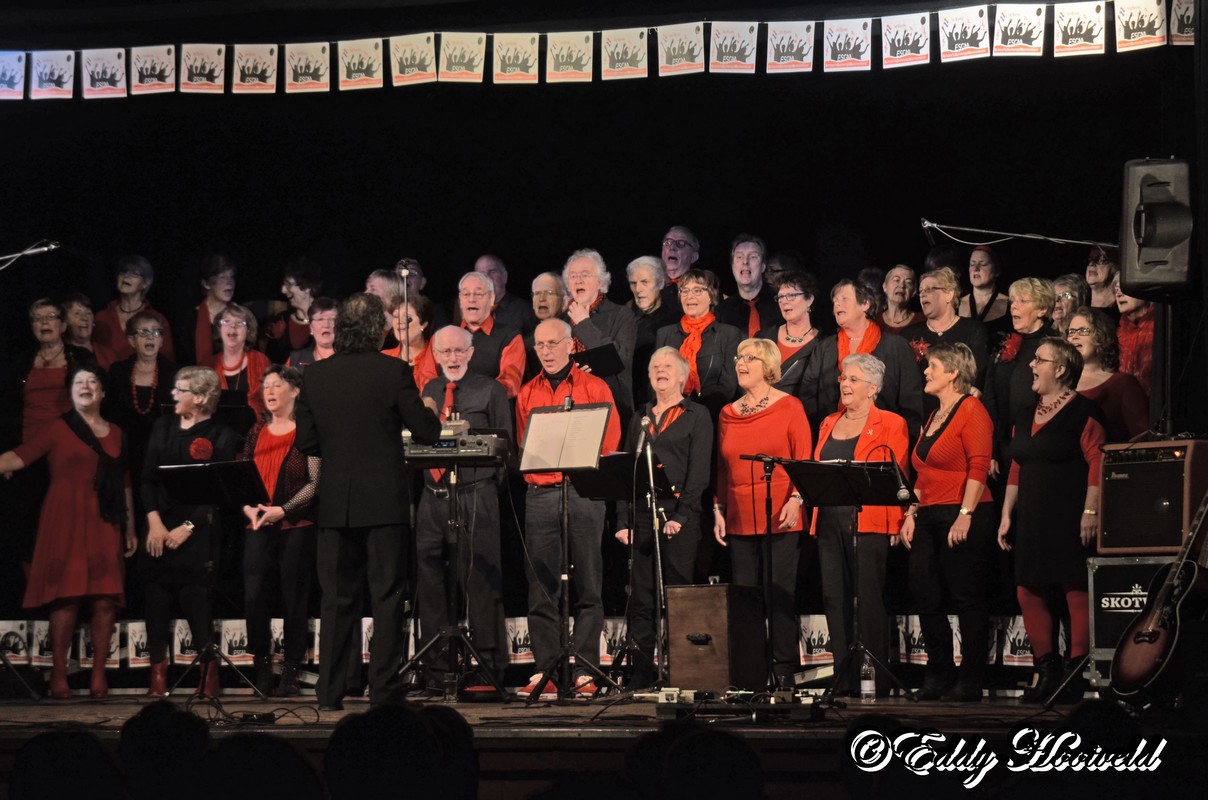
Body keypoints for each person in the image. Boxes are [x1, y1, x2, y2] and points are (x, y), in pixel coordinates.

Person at [294, 293, 441, 709]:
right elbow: (427, 432)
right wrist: (428, 408)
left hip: (336, 504)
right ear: (379, 330)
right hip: (384, 504)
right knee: (387, 597)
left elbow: (306, 441)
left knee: (337, 600)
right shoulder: (393, 370)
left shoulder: (316, 376)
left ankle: (330, 692)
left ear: (340, 330)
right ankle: (383, 691)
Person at [0, 364, 136, 699]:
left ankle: (98, 677)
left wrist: (130, 527)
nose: (86, 386)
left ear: (102, 392)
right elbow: (18, 458)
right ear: (70, 391)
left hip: (105, 521)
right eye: (79, 382)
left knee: (105, 600)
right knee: (66, 598)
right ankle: (59, 676)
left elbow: (125, 484)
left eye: (92, 382)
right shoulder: (55, 428)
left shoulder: (118, 433)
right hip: (65, 520)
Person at [515, 318, 620, 697]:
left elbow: (608, 441)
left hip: (583, 492)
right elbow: (525, 444)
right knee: (541, 585)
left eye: (552, 343)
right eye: (539, 345)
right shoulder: (528, 392)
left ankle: (586, 669)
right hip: (541, 494)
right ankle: (547, 670)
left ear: (571, 345)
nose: (545, 351)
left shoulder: (595, 386)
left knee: (589, 583)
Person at [998, 337, 1106, 703]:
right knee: (1028, 588)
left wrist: (1090, 512)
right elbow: (1016, 465)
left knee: (1073, 586)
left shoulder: (1084, 412)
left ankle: (1076, 674)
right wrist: (1005, 514)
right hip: (1030, 515)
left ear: (1060, 370)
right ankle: (1046, 671)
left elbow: (1098, 462)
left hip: (1069, 513)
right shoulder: (1025, 414)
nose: (1031, 365)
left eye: (1039, 360)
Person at [414, 326, 512, 691]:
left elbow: (505, 447)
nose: (453, 358)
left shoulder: (490, 389)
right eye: (445, 352)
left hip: (475, 495)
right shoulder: (429, 391)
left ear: (471, 353)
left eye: (459, 351)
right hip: (432, 496)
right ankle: (437, 672)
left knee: (482, 582)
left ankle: (487, 671)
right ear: (435, 355)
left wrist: (482, 489)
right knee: (431, 582)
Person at [713, 338, 812, 688]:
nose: (741, 363)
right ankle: (751, 670)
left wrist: (796, 499)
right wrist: (718, 508)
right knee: (746, 598)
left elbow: (803, 458)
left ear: (768, 366)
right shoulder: (728, 412)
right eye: (739, 357)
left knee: (779, 592)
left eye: (750, 358)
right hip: (739, 513)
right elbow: (723, 468)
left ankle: (783, 669)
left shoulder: (790, 407)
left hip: (780, 511)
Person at [898, 343, 994, 701]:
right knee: (926, 594)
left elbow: (979, 466)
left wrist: (965, 516)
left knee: (966, 597)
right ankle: (937, 675)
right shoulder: (934, 415)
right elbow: (923, 473)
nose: (926, 371)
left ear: (953, 372)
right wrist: (910, 514)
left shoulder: (972, 410)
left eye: (932, 366)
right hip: (928, 514)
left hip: (963, 511)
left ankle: (970, 680)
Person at [614, 347, 713, 690]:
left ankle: (684, 672)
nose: (660, 370)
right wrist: (622, 521)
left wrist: (682, 516)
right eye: (655, 366)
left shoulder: (696, 415)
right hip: (642, 515)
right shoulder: (640, 418)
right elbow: (624, 472)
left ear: (683, 376)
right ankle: (641, 673)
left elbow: (699, 472)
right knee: (641, 599)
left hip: (677, 517)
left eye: (668, 366)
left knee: (678, 598)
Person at [811, 354, 908, 694]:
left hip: (869, 521)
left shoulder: (891, 423)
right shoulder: (828, 422)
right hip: (828, 519)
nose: (845, 384)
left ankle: (875, 680)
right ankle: (843, 677)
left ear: (873, 388)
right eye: (843, 378)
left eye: (853, 379)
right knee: (834, 597)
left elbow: (896, 477)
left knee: (868, 599)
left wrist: (897, 522)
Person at [140, 366, 239, 698]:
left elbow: (219, 493)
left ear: (199, 398)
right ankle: (158, 677)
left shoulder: (222, 436)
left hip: (197, 529)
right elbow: (147, 479)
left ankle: (208, 676)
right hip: (159, 524)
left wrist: (188, 527)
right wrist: (154, 522)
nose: (173, 395)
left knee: (197, 602)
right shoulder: (163, 426)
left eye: (180, 390)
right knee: (155, 598)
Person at [240, 366, 319, 697]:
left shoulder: (307, 431)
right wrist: (248, 507)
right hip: (257, 524)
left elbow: (316, 482)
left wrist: (283, 511)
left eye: (276, 385)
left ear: (295, 391)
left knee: (293, 599)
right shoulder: (257, 430)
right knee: (255, 597)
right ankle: (261, 665)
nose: (269, 391)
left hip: (295, 525)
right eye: (266, 386)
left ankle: (291, 672)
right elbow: (243, 473)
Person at [10, 299, 97, 582]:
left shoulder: (80, 359)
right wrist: (9, 455)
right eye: (37, 318)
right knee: (27, 527)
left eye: (50, 317)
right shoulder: (20, 362)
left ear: (62, 325)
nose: (44, 323)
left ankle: (66, 592)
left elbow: (92, 406)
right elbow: (7, 411)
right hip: (27, 454)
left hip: (67, 454)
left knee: (66, 526)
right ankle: (36, 596)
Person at [798, 278, 924, 442]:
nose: (837, 304)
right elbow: (808, 399)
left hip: (882, 442)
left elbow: (911, 404)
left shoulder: (896, 347)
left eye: (844, 299)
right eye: (835, 301)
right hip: (831, 440)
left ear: (865, 304)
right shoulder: (824, 349)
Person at [982, 277, 1058, 472]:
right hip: (1003, 447)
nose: (1014, 307)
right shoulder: (1005, 345)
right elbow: (991, 398)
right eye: (1013, 301)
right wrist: (992, 451)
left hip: (1039, 446)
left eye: (1022, 301)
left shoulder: (1055, 347)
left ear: (1042, 310)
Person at [563, 249, 637, 434]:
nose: (578, 280)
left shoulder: (621, 315)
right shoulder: (562, 320)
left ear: (601, 281)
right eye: (573, 276)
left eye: (585, 275)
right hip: (569, 409)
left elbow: (620, 359)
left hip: (612, 408)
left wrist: (583, 324)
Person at [900, 267, 990, 418]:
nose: (922, 295)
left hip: (959, 416)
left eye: (929, 289)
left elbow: (979, 376)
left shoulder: (973, 330)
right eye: (921, 291)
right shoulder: (908, 334)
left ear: (949, 294)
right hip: (917, 419)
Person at [655, 269, 743, 419]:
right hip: (669, 417)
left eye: (697, 290)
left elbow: (727, 386)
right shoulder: (665, 334)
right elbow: (655, 380)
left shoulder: (728, 334)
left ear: (711, 296)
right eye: (685, 291)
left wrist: (696, 415)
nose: (690, 296)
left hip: (710, 417)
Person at [1067, 308, 1149, 442]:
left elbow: (1141, 438)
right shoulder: (1058, 381)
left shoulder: (1123, 384)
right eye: (1071, 332)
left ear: (1101, 335)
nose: (1074, 336)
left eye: (1083, 331)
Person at [93, 255, 176, 363]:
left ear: (146, 283)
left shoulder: (157, 319)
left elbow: (167, 360)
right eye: (123, 272)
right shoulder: (101, 318)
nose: (126, 276)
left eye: (134, 274)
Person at [458, 272, 526, 400]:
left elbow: (510, 384)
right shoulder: (445, 336)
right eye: (466, 294)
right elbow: (428, 381)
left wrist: (471, 397)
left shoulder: (510, 337)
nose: (472, 299)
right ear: (460, 300)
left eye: (478, 294)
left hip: (490, 413)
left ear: (491, 298)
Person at [756, 270, 822, 396]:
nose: (784, 301)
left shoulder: (822, 345)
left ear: (809, 300)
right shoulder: (763, 337)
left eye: (791, 295)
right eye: (780, 297)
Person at [627, 256, 679, 408]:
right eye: (633, 283)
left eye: (645, 282)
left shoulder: (675, 320)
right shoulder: (625, 320)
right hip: (631, 402)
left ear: (660, 282)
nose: (638, 289)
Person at [209, 303, 270, 425]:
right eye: (226, 322)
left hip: (256, 432)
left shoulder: (261, 361)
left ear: (248, 330)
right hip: (217, 433)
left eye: (239, 323)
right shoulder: (208, 364)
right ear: (218, 329)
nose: (233, 327)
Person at [178, 254, 235, 368]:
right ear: (206, 284)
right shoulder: (190, 320)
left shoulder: (240, 315)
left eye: (231, 276)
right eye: (222, 277)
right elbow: (184, 362)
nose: (229, 282)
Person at [715, 234, 778, 338]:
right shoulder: (721, 312)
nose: (745, 262)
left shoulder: (781, 304)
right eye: (739, 257)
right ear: (732, 266)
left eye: (753, 257)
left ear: (763, 266)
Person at [265, 258, 323, 363]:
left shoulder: (327, 321)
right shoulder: (281, 319)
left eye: (288, 285)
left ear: (307, 287)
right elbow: (269, 362)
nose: (283, 290)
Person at [383, 293, 437, 392]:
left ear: (423, 324)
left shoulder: (437, 356)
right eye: (396, 316)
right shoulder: (384, 358)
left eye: (407, 317)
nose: (399, 322)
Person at [475, 254, 535, 335]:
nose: (487, 278)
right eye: (481, 274)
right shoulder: (470, 311)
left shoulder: (525, 311)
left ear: (505, 276)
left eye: (492, 272)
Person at [1114, 276, 1155, 396]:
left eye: (1125, 288)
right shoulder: (1116, 335)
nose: (1119, 295)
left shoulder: (1161, 328)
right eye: (1116, 290)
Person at [526, 272, 567, 381]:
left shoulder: (574, 335)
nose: (541, 298)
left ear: (564, 300)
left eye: (549, 293)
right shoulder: (526, 343)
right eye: (537, 293)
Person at [958, 246, 1009, 332]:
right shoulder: (956, 304)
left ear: (997, 270)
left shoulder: (1010, 305)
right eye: (972, 264)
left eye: (983, 264)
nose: (976, 269)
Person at [63, 294, 116, 368]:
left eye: (88, 313)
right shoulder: (59, 355)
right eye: (77, 313)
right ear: (65, 321)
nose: (84, 318)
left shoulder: (109, 355)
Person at [287, 298, 337, 370]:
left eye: (332, 320)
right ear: (311, 328)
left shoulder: (350, 360)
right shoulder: (295, 359)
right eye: (320, 319)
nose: (326, 325)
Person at [880, 265, 924, 334]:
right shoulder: (874, 322)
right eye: (897, 280)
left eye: (908, 282)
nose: (902, 285)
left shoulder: (922, 321)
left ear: (914, 291)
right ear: (885, 286)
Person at [1086, 245, 1122, 324]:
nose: (1091, 264)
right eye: (1090, 259)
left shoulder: (1122, 315)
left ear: (1115, 267)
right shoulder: (1081, 310)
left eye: (1101, 259)